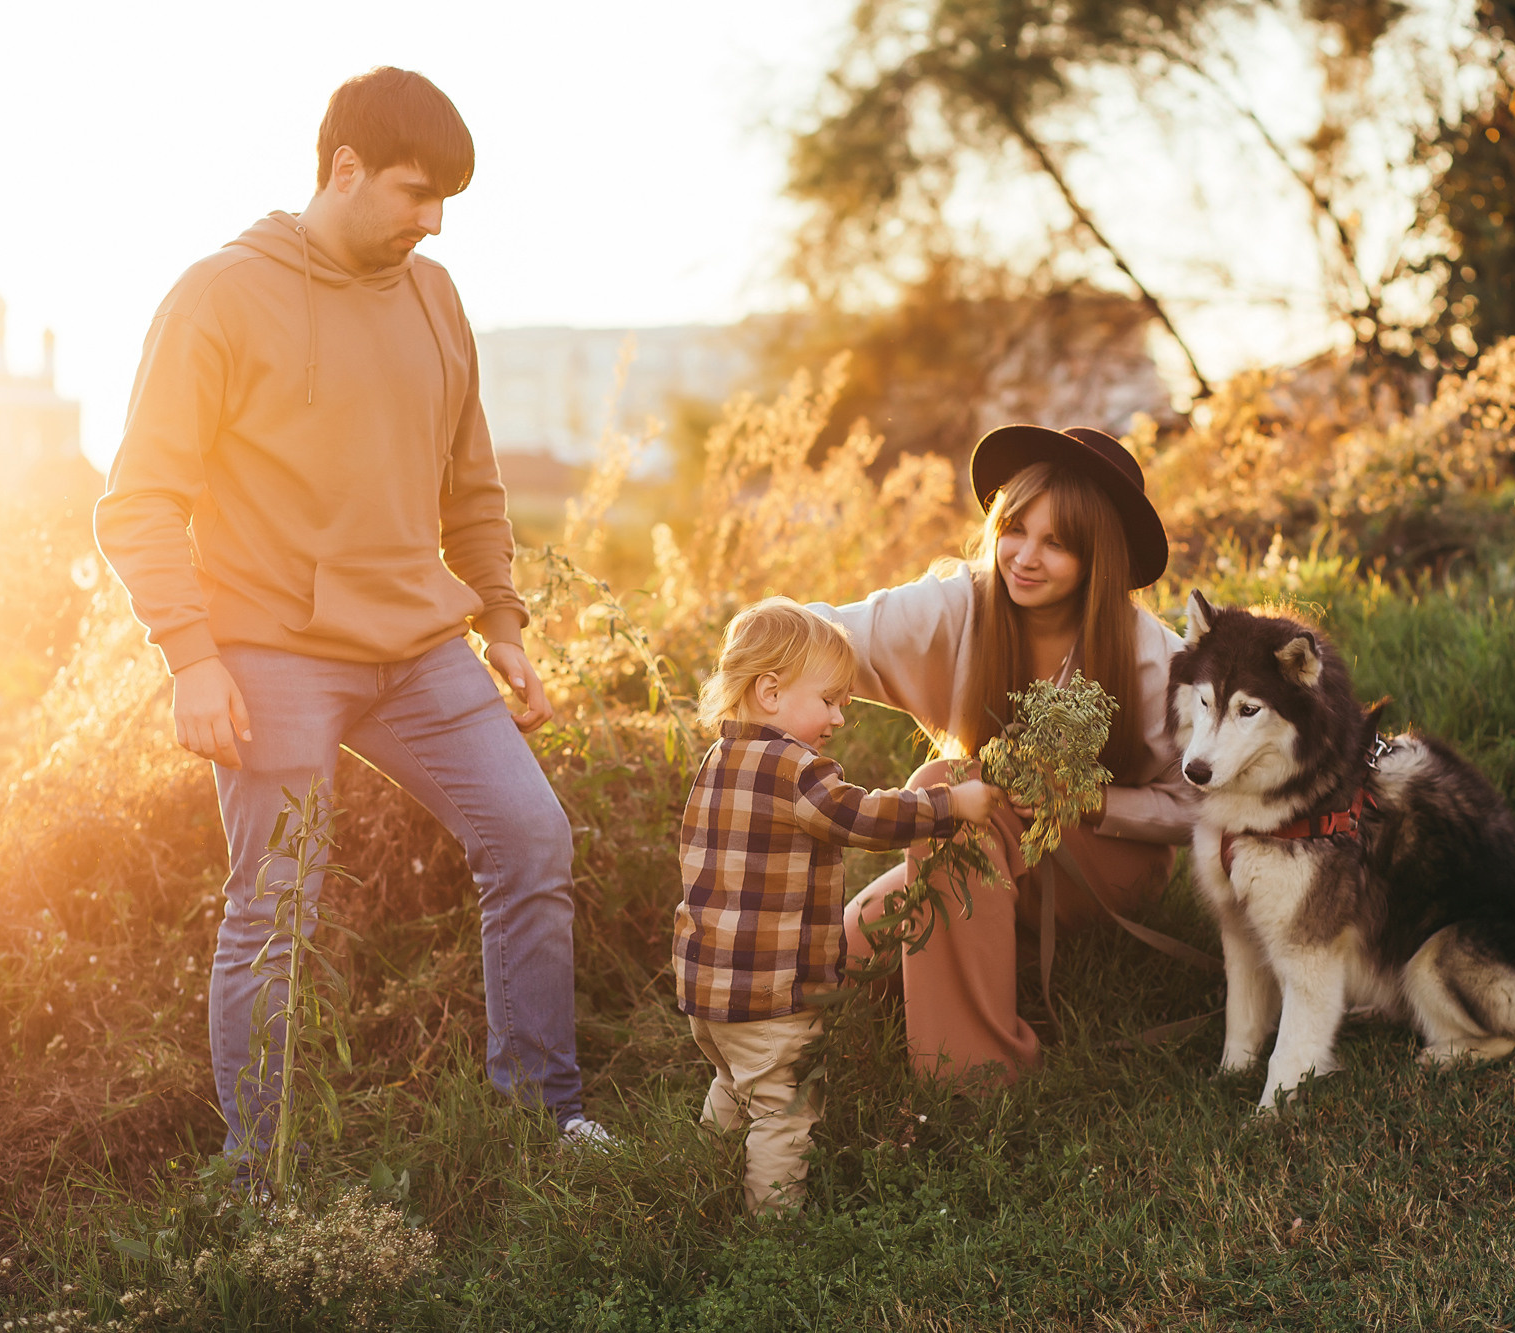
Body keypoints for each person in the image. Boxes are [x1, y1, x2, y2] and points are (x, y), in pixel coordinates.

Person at [95, 67, 608, 1162]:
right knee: (276, 907)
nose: (430, 224)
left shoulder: (434, 295)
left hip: (420, 648)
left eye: (445, 206)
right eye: (414, 195)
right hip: (272, 650)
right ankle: (262, 1177)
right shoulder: (219, 296)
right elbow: (138, 500)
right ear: (343, 168)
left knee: (531, 837)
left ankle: (541, 1113)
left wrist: (502, 626)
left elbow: (471, 485)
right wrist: (191, 656)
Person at [814, 424, 1200, 1085]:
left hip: (1105, 860)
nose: (1022, 555)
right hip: (986, 838)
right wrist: (762, 647)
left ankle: (973, 1078)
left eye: (1057, 543)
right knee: (842, 950)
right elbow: (833, 634)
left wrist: (1091, 799)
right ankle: (991, 945)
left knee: (944, 784)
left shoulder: (1153, 658)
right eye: (1015, 526)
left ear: (1097, 558)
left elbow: (1203, 805)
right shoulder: (961, 602)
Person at [676, 598, 995, 1213]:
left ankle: (698, 1178)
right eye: (830, 700)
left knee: (734, 1082)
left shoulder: (718, 761)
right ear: (770, 692)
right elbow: (860, 816)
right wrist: (949, 805)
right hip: (772, 993)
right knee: (783, 1109)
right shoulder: (794, 768)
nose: (842, 717)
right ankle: (772, 1238)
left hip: (708, 988)